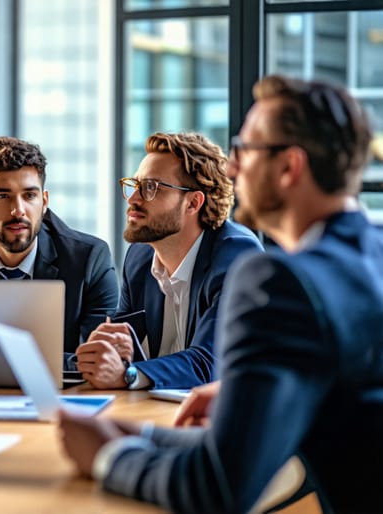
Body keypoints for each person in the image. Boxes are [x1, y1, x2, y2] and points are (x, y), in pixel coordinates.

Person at [58, 75, 383, 513]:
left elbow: (217, 490)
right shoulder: (372, 252)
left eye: (246, 150)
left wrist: (107, 456)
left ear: (289, 167)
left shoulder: (278, 280)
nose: (232, 168)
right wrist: (158, 430)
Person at [76, 133, 262, 390]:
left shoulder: (237, 256)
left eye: (151, 187)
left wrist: (128, 374)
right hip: (154, 408)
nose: (133, 199)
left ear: (193, 203)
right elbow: (124, 344)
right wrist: (109, 349)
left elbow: (209, 363)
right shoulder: (139, 257)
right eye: (135, 185)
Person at [0, 136, 119, 367]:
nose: (18, 210)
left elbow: (96, 360)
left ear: (44, 201)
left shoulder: (89, 259)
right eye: (2, 196)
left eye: (29, 195)